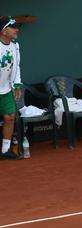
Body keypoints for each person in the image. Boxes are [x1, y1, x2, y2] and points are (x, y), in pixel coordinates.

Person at [0, 16, 22, 160]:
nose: (16, 29)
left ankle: (5, 150)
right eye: (13, 27)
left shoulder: (15, 46)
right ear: (3, 30)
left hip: (6, 88)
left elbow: (16, 67)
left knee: (10, 117)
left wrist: (17, 85)